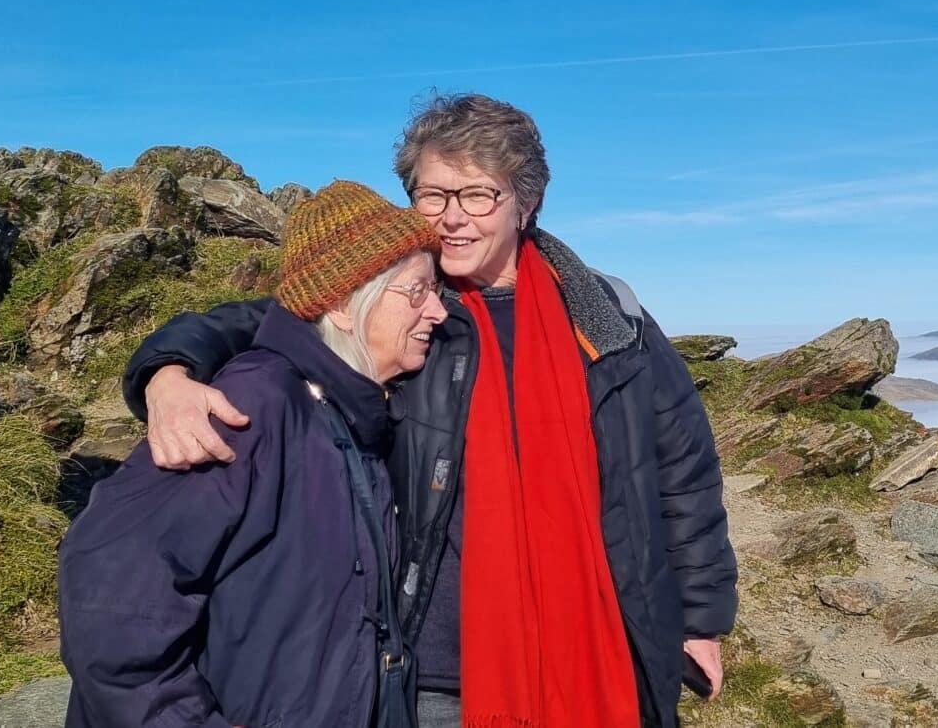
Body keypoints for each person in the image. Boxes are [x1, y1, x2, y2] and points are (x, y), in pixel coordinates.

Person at [121, 93, 738, 728]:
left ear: (525, 204)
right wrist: (167, 372)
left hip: (601, 631)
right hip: (437, 660)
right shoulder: (401, 302)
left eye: (478, 195)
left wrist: (700, 621)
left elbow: (681, 472)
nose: (452, 218)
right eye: (432, 195)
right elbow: (259, 322)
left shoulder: (607, 316)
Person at [60, 180, 448, 727]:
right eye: (417, 291)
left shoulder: (352, 411)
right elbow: (111, 598)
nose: (437, 310)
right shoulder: (248, 407)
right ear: (342, 303)